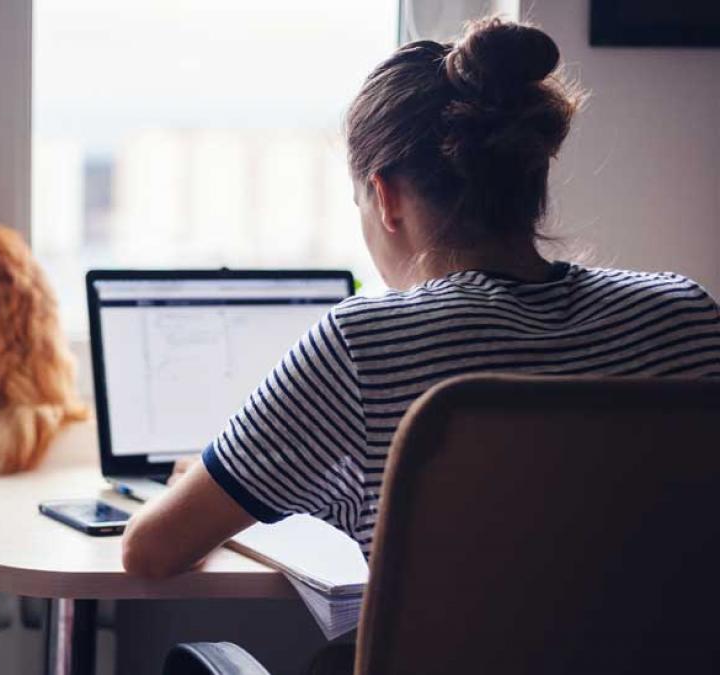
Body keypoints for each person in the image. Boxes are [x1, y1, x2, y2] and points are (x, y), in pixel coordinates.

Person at [121, 17, 720, 580]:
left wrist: (207, 482)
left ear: (385, 197)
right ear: (531, 177)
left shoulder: (363, 345)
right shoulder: (683, 315)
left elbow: (151, 551)